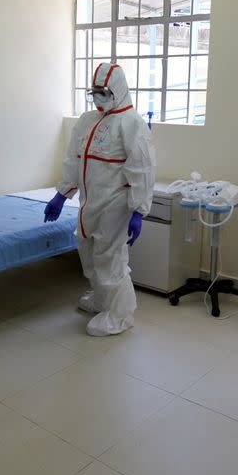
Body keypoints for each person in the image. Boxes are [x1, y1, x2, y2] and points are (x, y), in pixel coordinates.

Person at [44, 63, 155, 336]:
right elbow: (74, 159)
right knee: (87, 249)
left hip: (116, 204)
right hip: (89, 202)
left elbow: (142, 170)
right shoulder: (87, 121)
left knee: (110, 258)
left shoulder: (132, 124)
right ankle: (101, 298)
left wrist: (138, 211)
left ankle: (120, 315)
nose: (98, 97)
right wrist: (61, 194)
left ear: (117, 90)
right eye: (94, 92)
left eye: (103, 92)